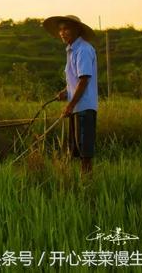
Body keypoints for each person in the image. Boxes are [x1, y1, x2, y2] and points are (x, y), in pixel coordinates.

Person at [42, 15, 98, 174]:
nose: (62, 32)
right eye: (60, 29)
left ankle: (87, 184)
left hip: (84, 107)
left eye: (66, 28)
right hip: (77, 107)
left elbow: (84, 79)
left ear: (77, 30)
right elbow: (76, 80)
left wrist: (70, 104)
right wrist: (66, 93)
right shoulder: (72, 50)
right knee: (77, 149)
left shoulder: (83, 49)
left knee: (85, 151)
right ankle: (82, 182)